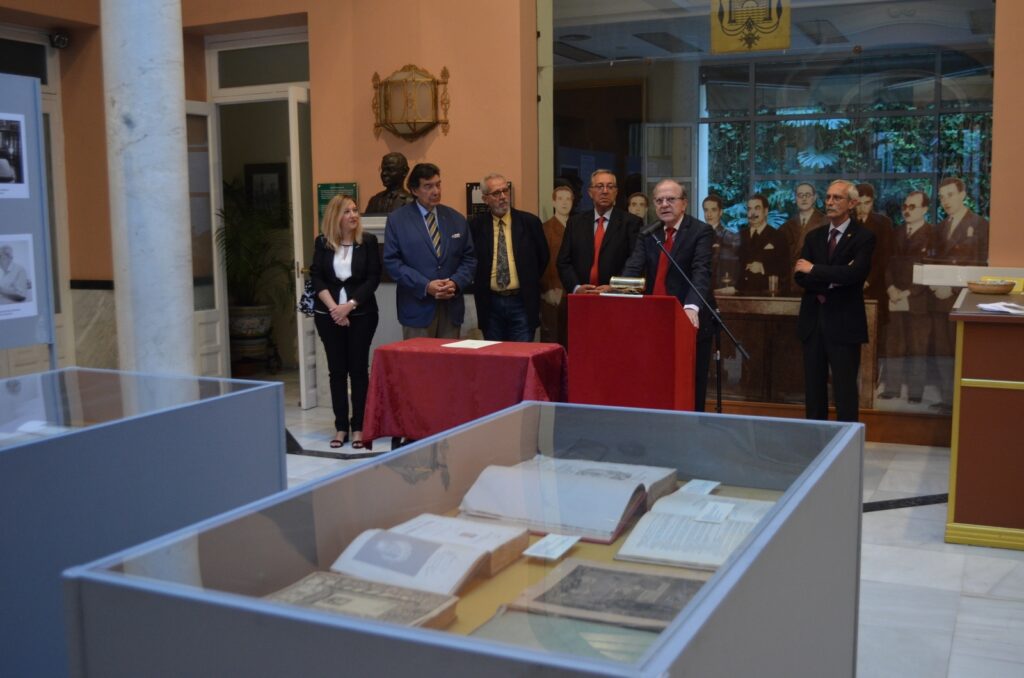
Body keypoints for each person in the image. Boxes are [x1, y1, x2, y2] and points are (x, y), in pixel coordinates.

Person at [622, 179, 715, 411]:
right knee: (657, 385)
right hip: (654, 322)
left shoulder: (700, 231)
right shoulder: (649, 233)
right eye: (659, 200)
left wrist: (692, 307)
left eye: (670, 199)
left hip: (689, 320)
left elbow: (701, 273)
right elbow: (633, 268)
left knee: (690, 388)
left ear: (683, 203)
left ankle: (691, 435)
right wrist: (619, 293)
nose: (664, 205)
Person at [794, 180, 876, 422]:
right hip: (813, 322)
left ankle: (845, 446)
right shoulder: (814, 237)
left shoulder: (863, 237)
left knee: (845, 391)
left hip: (844, 323)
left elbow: (855, 275)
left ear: (852, 203)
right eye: (828, 197)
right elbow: (800, 275)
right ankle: (815, 442)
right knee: (814, 390)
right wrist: (833, 278)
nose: (830, 202)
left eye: (837, 198)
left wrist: (815, 270)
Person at [310, 195, 381, 449]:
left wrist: (349, 306)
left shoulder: (368, 242)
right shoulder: (323, 243)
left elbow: (373, 278)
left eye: (355, 211)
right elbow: (316, 277)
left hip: (361, 314)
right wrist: (334, 310)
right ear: (335, 217)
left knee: (359, 371)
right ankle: (341, 427)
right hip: (328, 316)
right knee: (337, 371)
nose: (354, 215)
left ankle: (359, 426)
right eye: (347, 211)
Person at [383, 162, 476, 339]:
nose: (436, 191)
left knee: (449, 365)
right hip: (417, 309)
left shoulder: (455, 218)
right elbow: (392, 263)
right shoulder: (398, 221)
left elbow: (469, 259)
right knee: (418, 366)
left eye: (438, 184)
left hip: (451, 309)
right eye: (428, 186)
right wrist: (425, 286)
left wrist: (455, 283)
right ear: (414, 190)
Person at [926, 177, 990, 411]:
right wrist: (934, 284)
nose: (945, 201)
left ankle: (965, 402)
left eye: (950, 195)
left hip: (963, 298)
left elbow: (979, 264)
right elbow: (931, 259)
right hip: (938, 299)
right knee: (942, 351)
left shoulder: (981, 225)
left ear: (963, 194)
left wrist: (951, 287)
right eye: (942, 197)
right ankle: (947, 398)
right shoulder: (939, 227)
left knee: (960, 351)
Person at [468, 173, 549, 341]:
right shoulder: (475, 226)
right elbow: (471, 261)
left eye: (505, 190)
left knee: (521, 357)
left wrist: (528, 280)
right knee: (495, 359)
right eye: (496, 193)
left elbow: (543, 257)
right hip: (490, 305)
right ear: (485, 198)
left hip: (522, 302)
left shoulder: (529, 223)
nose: (503, 197)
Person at [557, 169, 643, 295]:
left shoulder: (631, 223)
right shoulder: (575, 223)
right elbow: (563, 261)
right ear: (590, 192)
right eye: (599, 186)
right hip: (582, 298)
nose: (605, 191)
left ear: (616, 192)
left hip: (616, 298)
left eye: (610, 186)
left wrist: (615, 287)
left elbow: (635, 262)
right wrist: (576, 288)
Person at [881, 190, 932, 403]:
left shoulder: (933, 234)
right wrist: (891, 287)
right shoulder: (896, 232)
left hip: (918, 299)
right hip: (894, 298)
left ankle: (915, 393)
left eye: (913, 207)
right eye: (905, 206)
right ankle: (891, 389)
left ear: (925, 209)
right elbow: (887, 262)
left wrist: (909, 292)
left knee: (917, 348)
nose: (907, 211)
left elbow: (930, 268)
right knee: (894, 346)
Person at [539, 185, 573, 345]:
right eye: (560, 199)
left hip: (573, 293)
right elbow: (542, 262)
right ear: (553, 202)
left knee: (572, 340)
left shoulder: (577, 226)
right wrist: (546, 289)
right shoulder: (545, 229)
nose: (564, 203)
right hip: (552, 294)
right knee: (552, 339)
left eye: (568, 199)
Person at [738, 194, 788, 295]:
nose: (752, 213)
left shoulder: (778, 236)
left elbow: (785, 268)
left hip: (767, 295)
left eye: (757, 208)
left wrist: (762, 267)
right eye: (749, 209)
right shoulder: (738, 236)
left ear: (765, 211)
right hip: (741, 295)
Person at [779, 182, 828, 264]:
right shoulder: (787, 226)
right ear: (795, 198)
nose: (804, 199)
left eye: (808, 195)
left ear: (814, 197)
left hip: (817, 271)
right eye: (800, 195)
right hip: (792, 273)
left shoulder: (827, 222)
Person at [702, 194, 740, 290]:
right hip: (702, 287)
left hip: (722, 288)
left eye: (713, 210)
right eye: (706, 210)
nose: (709, 214)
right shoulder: (698, 235)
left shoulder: (730, 237)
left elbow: (733, 266)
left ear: (720, 212)